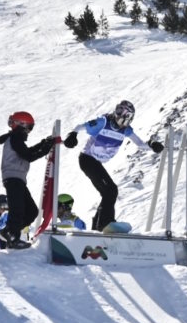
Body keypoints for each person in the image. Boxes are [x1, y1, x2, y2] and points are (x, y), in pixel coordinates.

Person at [64, 99, 163, 232]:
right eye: (118, 110)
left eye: (123, 113)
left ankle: (98, 226)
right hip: (87, 159)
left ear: (129, 118)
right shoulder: (104, 122)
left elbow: (140, 144)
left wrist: (152, 144)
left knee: (107, 193)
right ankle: (104, 223)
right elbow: (80, 126)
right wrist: (73, 134)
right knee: (111, 190)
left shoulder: (126, 130)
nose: (119, 114)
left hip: (95, 162)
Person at [0, 111, 59, 249]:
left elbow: (27, 151)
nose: (29, 131)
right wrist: (47, 147)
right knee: (17, 209)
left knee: (31, 211)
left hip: (17, 178)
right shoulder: (15, 138)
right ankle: (13, 237)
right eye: (29, 127)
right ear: (21, 125)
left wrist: (44, 143)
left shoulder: (15, 139)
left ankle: (8, 231)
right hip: (13, 178)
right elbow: (29, 156)